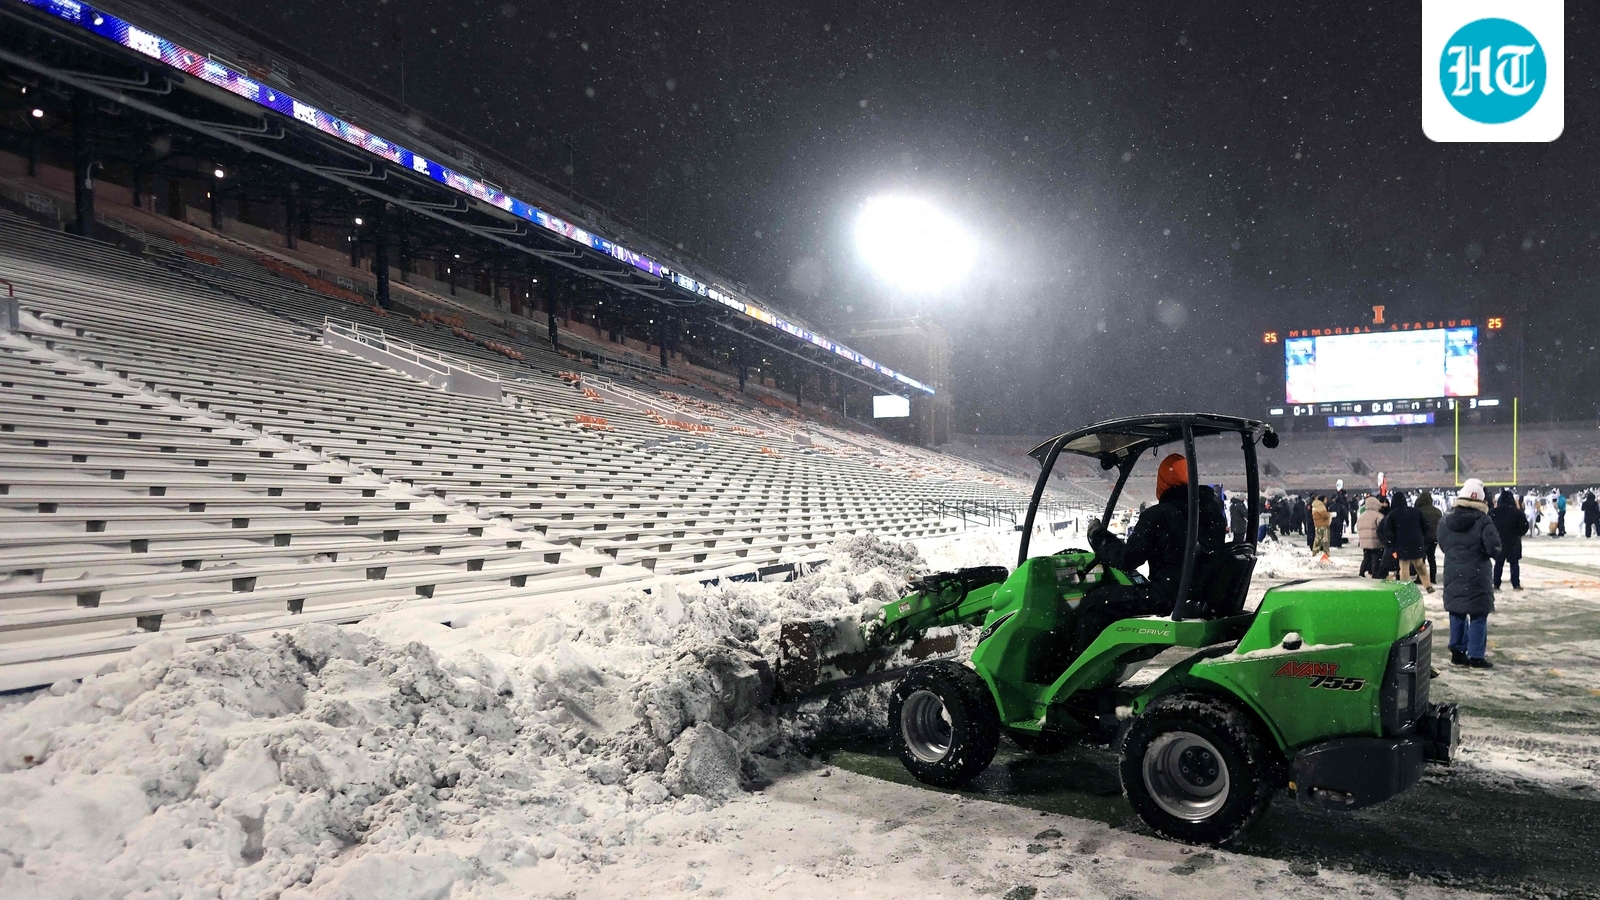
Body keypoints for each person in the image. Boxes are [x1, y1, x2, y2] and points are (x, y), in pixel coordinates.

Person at [1080, 453, 1226, 655]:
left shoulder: (1160, 514)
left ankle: (1077, 663)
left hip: (1167, 597)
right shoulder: (1212, 512)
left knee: (1095, 601)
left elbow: (1126, 559)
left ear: (1163, 481)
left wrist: (1099, 537)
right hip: (1199, 595)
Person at [1440, 478, 1502, 669]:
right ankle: (1476, 655)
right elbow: (1493, 548)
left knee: (1457, 611)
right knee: (1478, 614)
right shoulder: (1483, 520)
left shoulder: (1446, 519)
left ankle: (1458, 653)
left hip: (1453, 570)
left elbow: (1443, 544)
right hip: (1478, 573)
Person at [1385, 492, 1433, 593]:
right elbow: (1426, 526)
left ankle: (1405, 588)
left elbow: (1388, 531)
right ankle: (1428, 585)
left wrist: (1393, 541)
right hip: (1416, 542)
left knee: (1404, 567)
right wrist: (1421, 537)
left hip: (1402, 544)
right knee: (1420, 565)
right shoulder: (1415, 511)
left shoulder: (1393, 514)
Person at [1488, 488, 1528, 591]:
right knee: (1514, 564)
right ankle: (1516, 584)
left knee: (1498, 563)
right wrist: (1518, 534)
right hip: (1513, 541)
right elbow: (1525, 526)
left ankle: (1496, 584)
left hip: (1499, 540)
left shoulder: (1493, 512)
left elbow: (1488, 526)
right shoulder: (1517, 512)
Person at [1356, 493, 1387, 578]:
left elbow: (1358, 527)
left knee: (1366, 557)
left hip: (1364, 541)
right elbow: (1381, 528)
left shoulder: (1362, 516)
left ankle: (1361, 572)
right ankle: (1374, 573)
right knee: (1375, 558)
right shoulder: (1379, 516)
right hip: (1375, 541)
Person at [1416, 488, 1443, 583]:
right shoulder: (1437, 511)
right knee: (1432, 558)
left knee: (1421, 558)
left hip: (1423, 537)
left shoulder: (1419, 511)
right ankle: (1433, 578)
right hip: (1434, 537)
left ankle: (1421, 578)